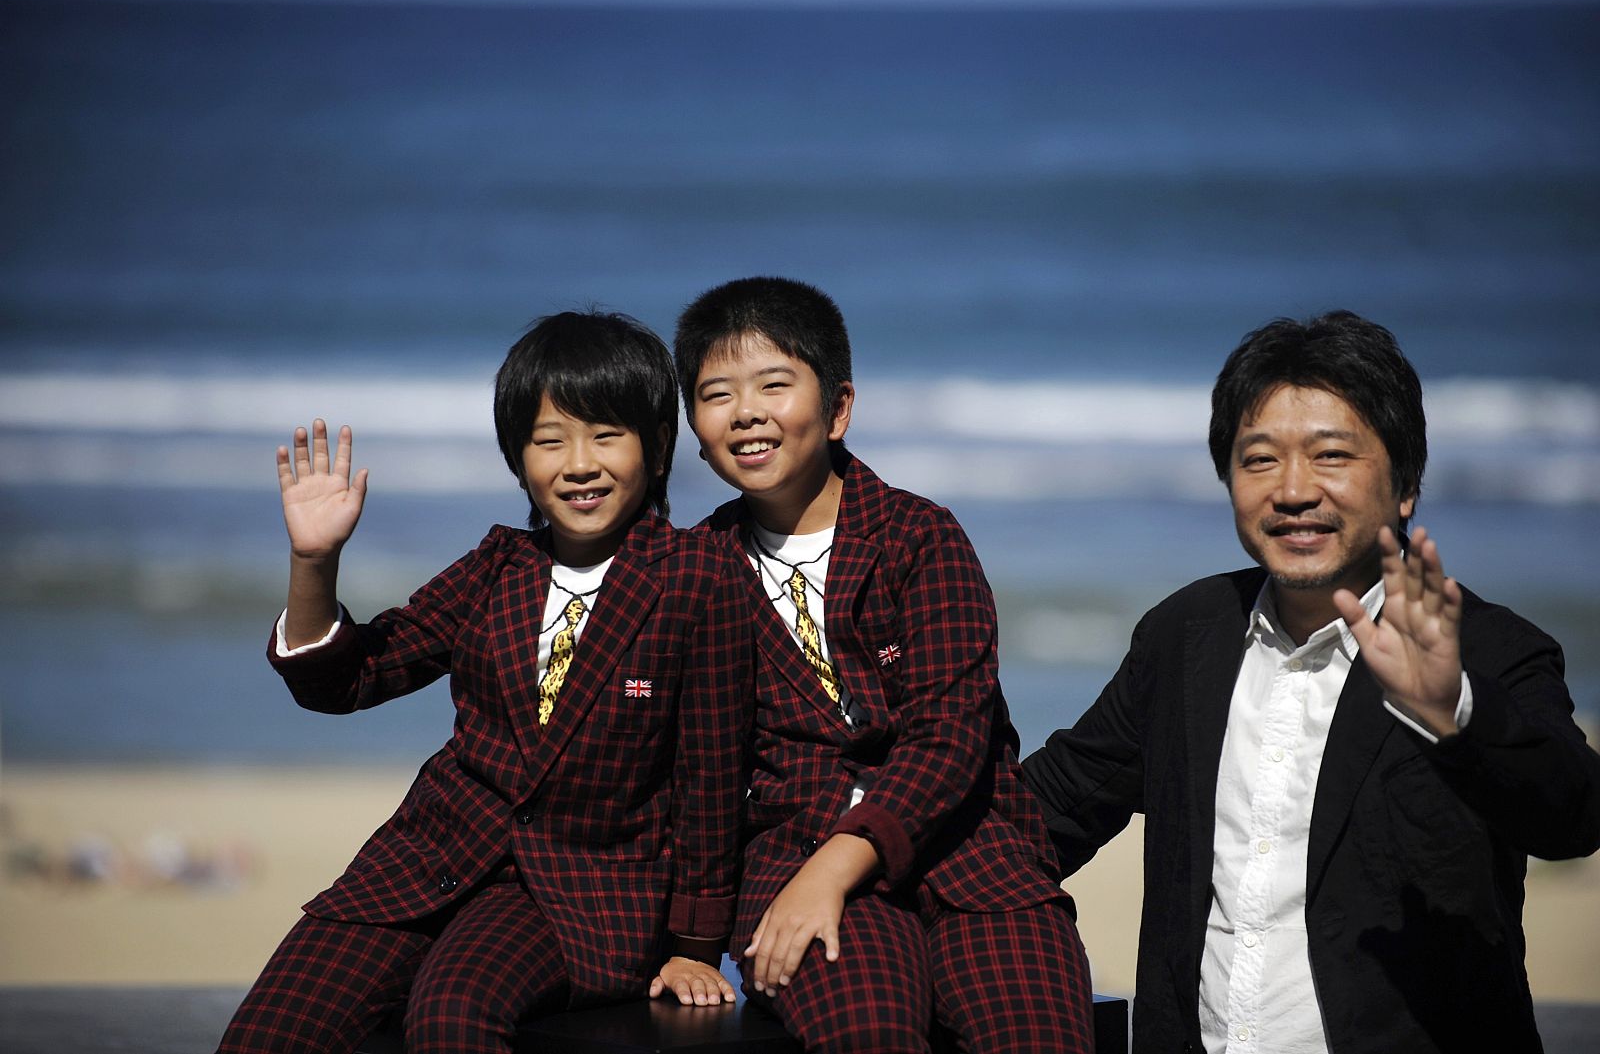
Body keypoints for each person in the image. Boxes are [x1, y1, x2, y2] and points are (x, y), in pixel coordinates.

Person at [1022, 311, 1600, 1054]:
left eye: (1331, 455)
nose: (1294, 491)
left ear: (1406, 483)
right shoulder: (1186, 634)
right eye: (1259, 459)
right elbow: (1050, 806)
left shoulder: (1491, 647)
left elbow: (1573, 814)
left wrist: (1453, 709)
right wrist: (860, 851)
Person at [218, 312, 750, 1054]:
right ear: (517, 457)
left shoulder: (700, 576)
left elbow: (712, 777)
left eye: (606, 435)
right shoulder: (497, 566)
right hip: (424, 862)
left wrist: (696, 940)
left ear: (657, 447)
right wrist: (315, 560)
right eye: (549, 439)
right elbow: (350, 677)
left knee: (450, 1016)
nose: (579, 463)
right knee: (268, 1031)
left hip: (579, 896)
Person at [673, 276, 1094, 1053]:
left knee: (1040, 1034)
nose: (746, 412)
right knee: (869, 1034)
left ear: (837, 409)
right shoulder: (695, 568)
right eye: (715, 393)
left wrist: (838, 867)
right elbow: (686, 764)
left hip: (975, 858)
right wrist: (693, 940)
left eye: (774, 383)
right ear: (695, 432)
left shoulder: (919, 537)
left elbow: (949, 737)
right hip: (792, 862)